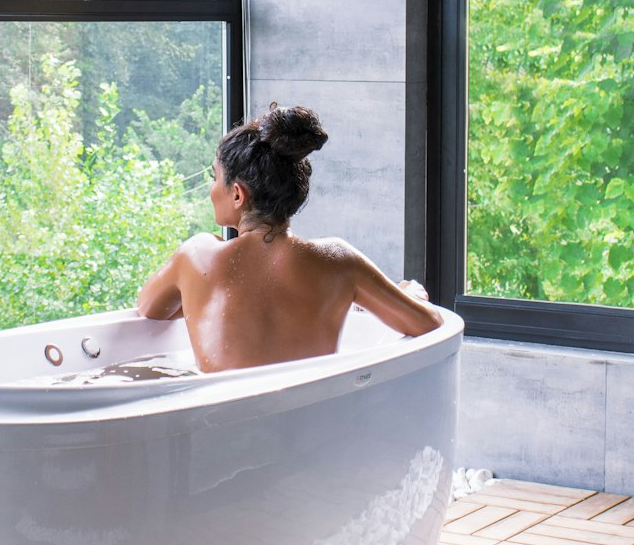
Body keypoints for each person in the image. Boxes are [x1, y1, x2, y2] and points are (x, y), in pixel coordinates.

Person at [137, 104, 443, 373]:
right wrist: (407, 296)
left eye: (214, 177)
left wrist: (199, 296)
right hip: (314, 430)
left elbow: (149, 309)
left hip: (221, 432)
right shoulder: (338, 261)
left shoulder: (197, 256)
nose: (210, 189)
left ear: (237, 194)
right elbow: (429, 323)